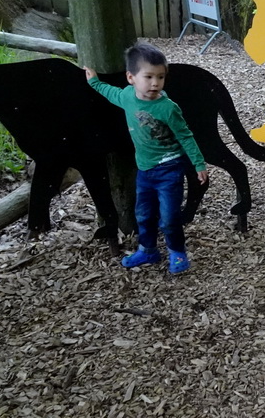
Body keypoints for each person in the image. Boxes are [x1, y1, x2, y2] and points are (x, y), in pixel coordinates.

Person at [83, 42, 208, 274]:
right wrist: (95, 82)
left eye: (160, 77)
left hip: (170, 168)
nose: (155, 83)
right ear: (131, 78)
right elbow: (111, 93)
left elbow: (186, 136)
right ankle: (148, 250)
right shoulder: (127, 96)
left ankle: (177, 252)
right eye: (148, 76)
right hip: (145, 170)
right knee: (143, 213)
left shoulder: (168, 108)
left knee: (169, 217)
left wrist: (199, 164)